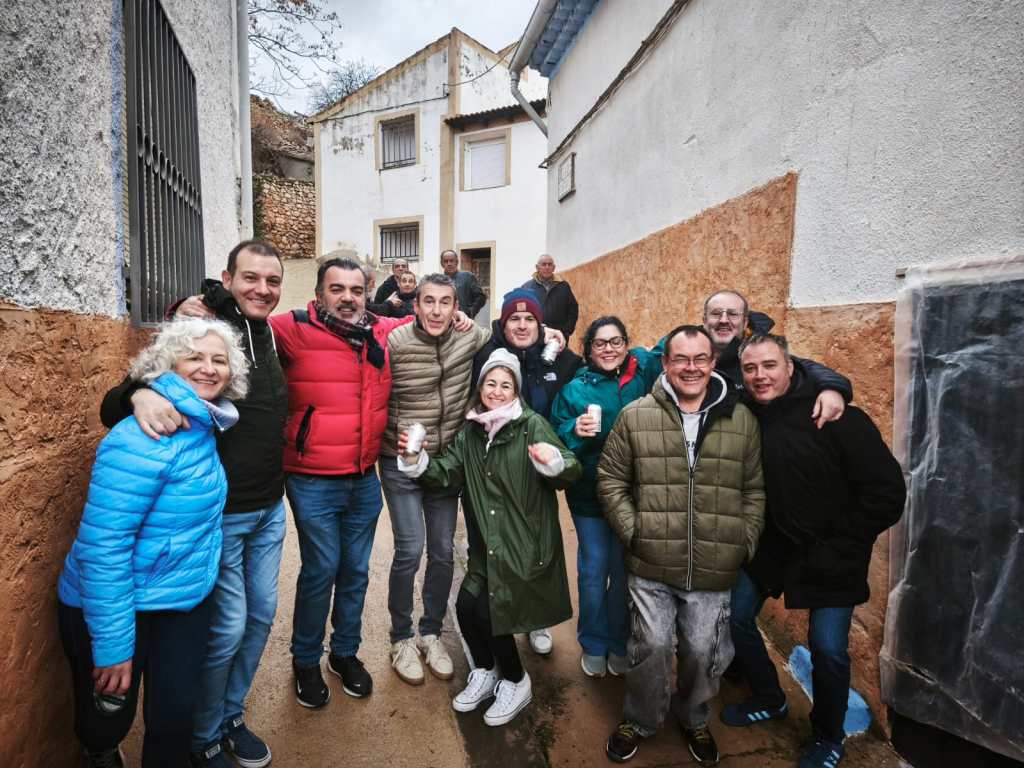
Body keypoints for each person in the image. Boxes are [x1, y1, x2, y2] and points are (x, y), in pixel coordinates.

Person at [100, 240, 287, 768]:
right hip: (219, 518)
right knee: (226, 630)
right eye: (250, 278)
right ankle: (203, 736)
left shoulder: (272, 333)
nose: (262, 290)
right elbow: (115, 402)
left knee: (259, 618)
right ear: (227, 279)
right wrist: (136, 395)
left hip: (270, 510)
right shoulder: (201, 326)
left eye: (272, 281)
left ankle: (230, 716)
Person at [59, 318, 248, 768]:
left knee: (175, 716)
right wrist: (113, 647)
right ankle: (101, 752)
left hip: (180, 599)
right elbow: (104, 549)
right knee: (107, 719)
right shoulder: (140, 437)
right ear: (167, 364)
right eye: (194, 357)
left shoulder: (204, 425)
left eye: (219, 360)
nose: (208, 368)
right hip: (114, 604)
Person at [722, 334, 905, 768]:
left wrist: (843, 543)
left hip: (833, 553)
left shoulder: (839, 417)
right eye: (750, 369)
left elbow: (886, 494)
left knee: (827, 648)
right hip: (773, 546)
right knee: (735, 615)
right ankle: (769, 695)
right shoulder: (749, 414)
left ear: (791, 368)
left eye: (770, 365)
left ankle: (828, 735)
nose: (760, 375)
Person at [598, 324, 765, 766]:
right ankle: (640, 719)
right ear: (666, 363)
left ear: (713, 363)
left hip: (714, 565)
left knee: (702, 651)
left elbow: (753, 489)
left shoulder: (741, 419)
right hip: (651, 561)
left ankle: (694, 718)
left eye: (700, 359)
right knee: (650, 647)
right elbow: (611, 479)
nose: (691, 368)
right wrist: (635, 532)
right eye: (681, 359)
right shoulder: (635, 416)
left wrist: (743, 540)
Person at [396, 349, 580, 726]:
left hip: (524, 545)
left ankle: (516, 680)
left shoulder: (531, 426)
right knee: (466, 606)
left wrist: (554, 462)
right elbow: (447, 472)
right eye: (490, 383)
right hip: (487, 547)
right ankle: (485, 671)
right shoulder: (472, 432)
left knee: (489, 612)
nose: (497, 391)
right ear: (480, 387)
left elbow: (570, 468)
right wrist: (417, 461)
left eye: (505, 385)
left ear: (516, 391)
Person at [267, 257, 413, 709]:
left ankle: (344, 653)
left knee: (356, 571)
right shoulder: (291, 328)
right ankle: (305, 660)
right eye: (337, 289)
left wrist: (464, 318)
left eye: (356, 290)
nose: (348, 298)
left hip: (363, 480)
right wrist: (197, 306)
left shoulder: (381, 331)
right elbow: (236, 326)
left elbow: (429, 319)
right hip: (312, 480)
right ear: (319, 293)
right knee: (322, 568)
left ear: (367, 293)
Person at [549, 316, 663, 678]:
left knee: (623, 570)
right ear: (588, 349)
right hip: (590, 496)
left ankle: (619, 641)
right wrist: (574, 429)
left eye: (616, 342)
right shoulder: (574, 390)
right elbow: (555, 437)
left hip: (633, 494)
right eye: (600, 343)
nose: (609, 349)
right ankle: (594, 643)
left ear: (626, 344)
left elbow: (679, 345)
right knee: (594, 569)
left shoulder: (642, 373)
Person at [470, 287, 582, 656]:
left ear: (540, 324)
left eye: (529, 319)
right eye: (514, 319)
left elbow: (585, 372)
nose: (521, 325)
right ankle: (499, 615)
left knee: (536, 546)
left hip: (537, 465)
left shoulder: (556, 358)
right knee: (495, 544)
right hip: (494, 465)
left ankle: (537, 619)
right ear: (503, 324)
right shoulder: (485, 353)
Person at [701, 290, 851, 427]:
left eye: (733, 314)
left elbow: (805, 367)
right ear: (704, 320)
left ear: (745, 322)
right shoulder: (691, 344)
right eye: (716, 313)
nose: (724, 320)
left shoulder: (753, 350)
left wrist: (832, 389)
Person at [521, 254, 579, 340]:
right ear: (537, 267)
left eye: (549, 264)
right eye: (544, 264)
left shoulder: (563, 286)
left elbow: (573, 309)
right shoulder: (527, 287)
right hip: (535, 337)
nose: (547, 267)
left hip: (559, 337)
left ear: (554, 268)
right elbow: (522, 312)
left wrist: (567, 331)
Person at [440, 249, 487, 319]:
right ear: (442, 264)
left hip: (464, 320)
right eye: (446, 261)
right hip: (445, 319)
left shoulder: (467, 276)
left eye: (451, 261)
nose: (449, 264)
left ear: (457, 262)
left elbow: (481, 297)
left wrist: (471, 312)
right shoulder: (439, 281)